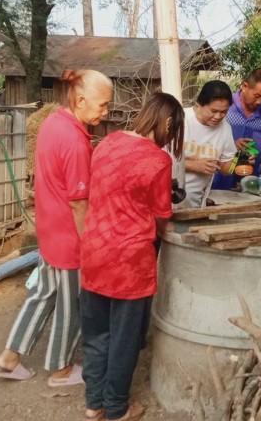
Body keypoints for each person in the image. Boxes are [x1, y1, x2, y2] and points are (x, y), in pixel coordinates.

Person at [0, 69, 113, 386]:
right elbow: (79, 202)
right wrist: (90, 245)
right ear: (81, 99)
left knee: (43, 294)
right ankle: (60, 368)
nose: (106, 111)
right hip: (69, 238)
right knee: (72, 304)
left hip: (49, 231)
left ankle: (9, 357)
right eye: (102, 105)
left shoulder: (54, 122)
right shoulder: (74, 141)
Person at [79, 93, 184, 421]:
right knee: (124, 339)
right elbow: (161, 216)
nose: (171, 139)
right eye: (174, 131)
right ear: (167, 123)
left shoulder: (107, 143)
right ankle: (117, 408)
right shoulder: (158, 161)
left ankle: (93, 403)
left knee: (96, 334)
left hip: (94, 251)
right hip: (129, 262)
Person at [212, 68, 261, 190]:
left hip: (249, 183)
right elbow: (209, 140)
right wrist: (232, 145)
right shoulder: (225, 107)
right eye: (257, 96)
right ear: (245, 86)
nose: (260, 102)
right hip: (218, 180)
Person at [179, 80, 237, 207]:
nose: (218, 116)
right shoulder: (180, 118)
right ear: (199, 104)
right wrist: (191, 165)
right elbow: (156, 160)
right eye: (213, 111)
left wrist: (239, 160)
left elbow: (227, 170)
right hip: (166, 201)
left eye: (223, 112)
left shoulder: (225, 129)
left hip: (194, 204)